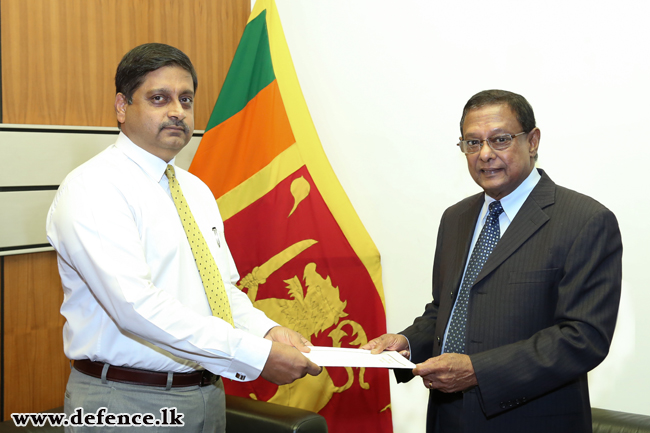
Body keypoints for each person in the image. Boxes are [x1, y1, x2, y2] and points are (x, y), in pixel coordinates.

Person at [46, 43, 321, 432]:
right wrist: (253, 354)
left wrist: (265, 330)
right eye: (159, 98)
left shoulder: (195, 190)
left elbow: (219, 291)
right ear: (122, 107)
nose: (177, 111)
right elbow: (135, 307)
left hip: (206, 396)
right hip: (126, 400)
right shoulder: (93, 188)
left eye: (186, 99)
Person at [363, 90, 622, 433]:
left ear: (532, 141)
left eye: (500, 139)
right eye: (472, 143)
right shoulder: (456, 218)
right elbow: (446, 311)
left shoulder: (585, 220)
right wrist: (408, 343)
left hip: (531, 421)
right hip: (448, 418)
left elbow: (583, 338)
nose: (484, 154)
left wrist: (478, 372)